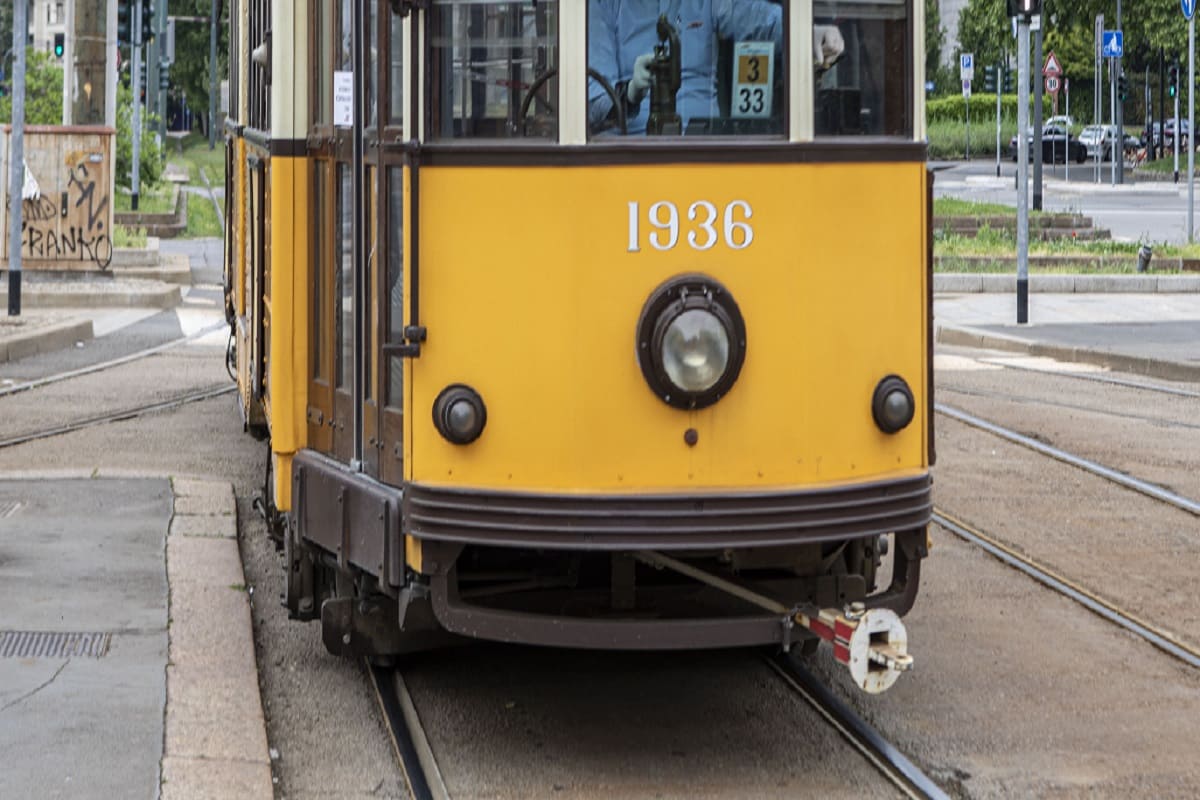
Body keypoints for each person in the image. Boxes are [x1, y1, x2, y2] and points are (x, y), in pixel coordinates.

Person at [588, 1, 844, 135]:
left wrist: (806, 32)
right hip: (627, 157)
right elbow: (595, 104)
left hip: (705, 149)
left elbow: (761, 21)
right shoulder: (602, 5)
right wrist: (632, 92)